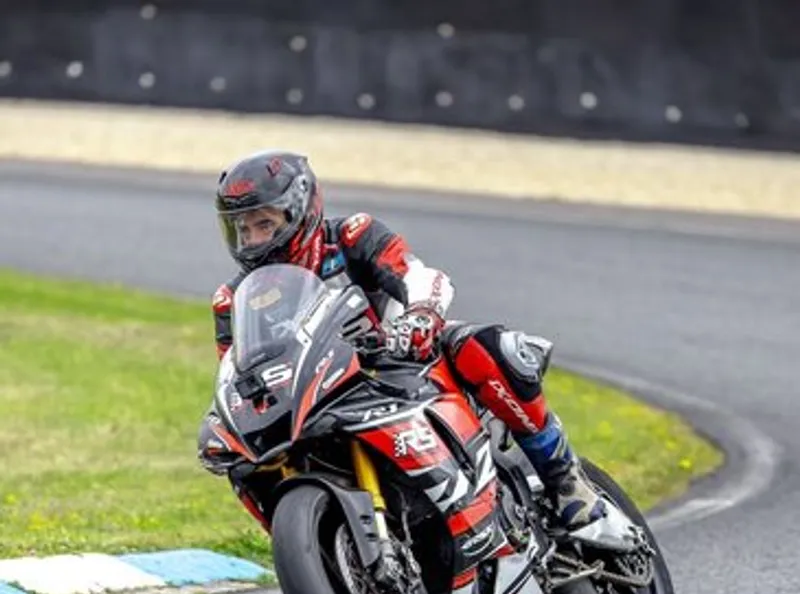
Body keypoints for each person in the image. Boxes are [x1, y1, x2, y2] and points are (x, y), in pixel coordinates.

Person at [198, 149, 606, 536]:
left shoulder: (352, 237)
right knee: (243, 460)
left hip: (404, 363)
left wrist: (421, 314)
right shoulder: (232, 300)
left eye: (264, 224)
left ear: (299, 212)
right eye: (242, 229)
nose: (252, 240)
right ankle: (318, 545)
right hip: (321, 399)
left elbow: (417, 274)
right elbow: (236, 370)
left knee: (483, 347)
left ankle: (564, 478)